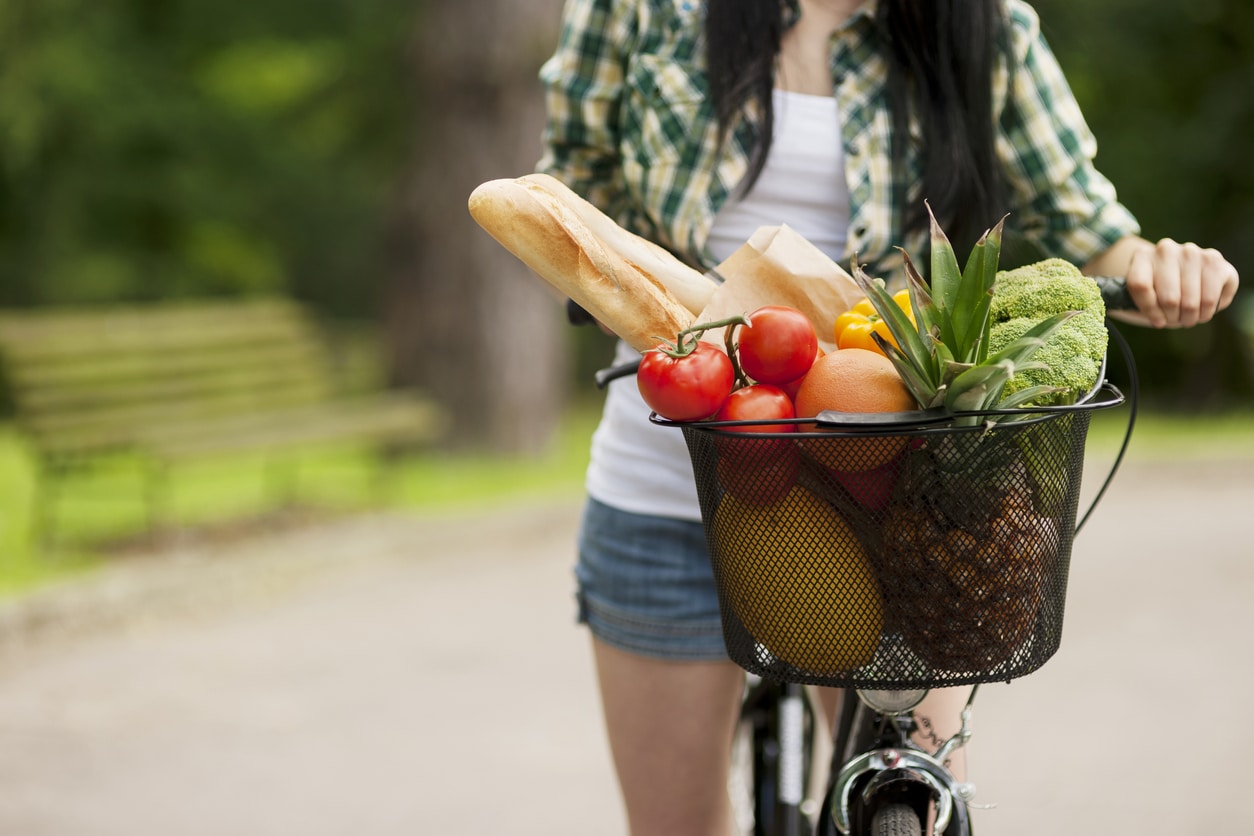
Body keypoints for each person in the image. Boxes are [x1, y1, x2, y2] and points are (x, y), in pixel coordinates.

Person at [535, 1, 1240, 834]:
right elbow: (573, 184)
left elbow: (1086, 229)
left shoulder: (985, 23)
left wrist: (1160, 268)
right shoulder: (645, 8)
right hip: (675, 484)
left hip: (893, 491)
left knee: (919, 796)